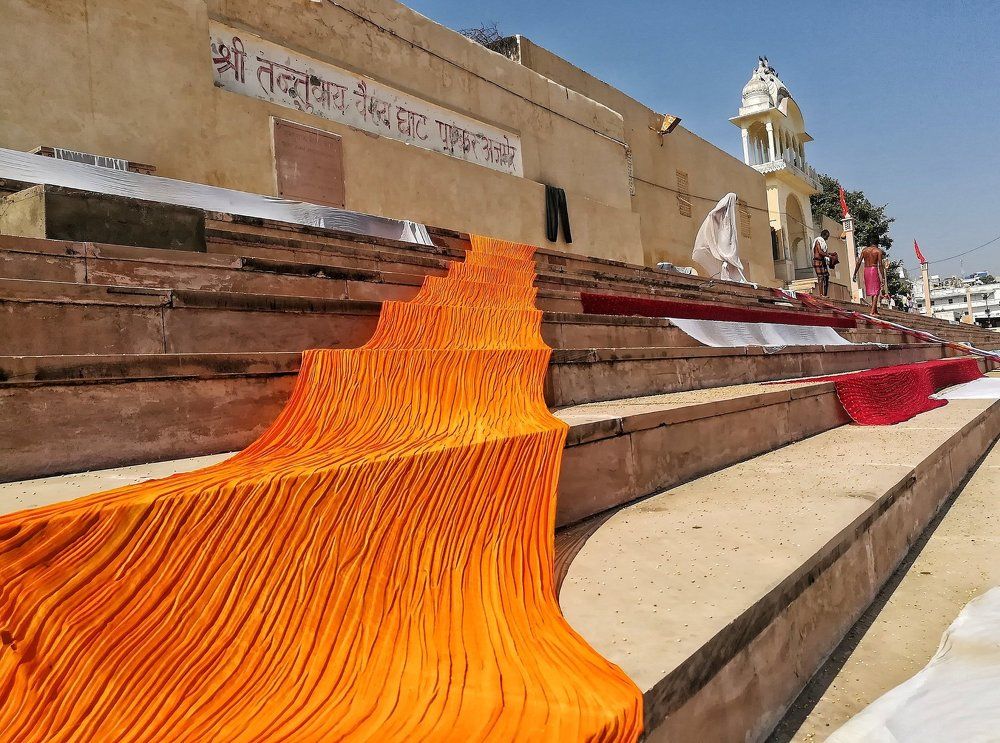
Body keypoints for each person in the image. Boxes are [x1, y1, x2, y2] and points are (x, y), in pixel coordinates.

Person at [853, 241, 887, 315]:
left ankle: (875, 310)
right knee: (876, 291)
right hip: (873, 269)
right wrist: (883, 277)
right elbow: (880, 265)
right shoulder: (878, 251)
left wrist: (855, 273)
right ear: (877, 244)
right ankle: (872, 311)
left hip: (866, 270)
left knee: (872, 291)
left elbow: (859, 262)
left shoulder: (864, 250)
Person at [812, 229, 831, 296]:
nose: (827, 238)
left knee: (826, 277)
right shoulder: (818, 241)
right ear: (824, 235)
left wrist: (829, 256)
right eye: (827, 236)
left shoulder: (824, 243)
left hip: (822, 261)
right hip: (817, 261)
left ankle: (825, 294)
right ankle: (821, 294)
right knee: (820, 277)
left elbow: (824, 252)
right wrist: (828, 255)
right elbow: (820, 252)